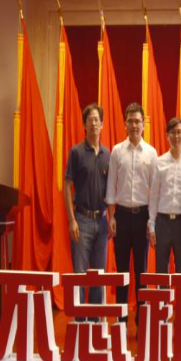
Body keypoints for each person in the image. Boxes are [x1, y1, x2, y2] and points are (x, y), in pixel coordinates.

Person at [105, 102, 158, 325]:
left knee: (141, 270)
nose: (135, 125)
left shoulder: (151, 153)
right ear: (125, 124)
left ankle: (142, 317)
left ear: (143, 125)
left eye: (138, 121)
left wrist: (151, 222)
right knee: (122, 270)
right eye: (131, 121)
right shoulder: (117, 151)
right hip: (122, 217)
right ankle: (121, 317)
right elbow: (111, 186)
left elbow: (154, 191)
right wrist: (111, 216)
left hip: (142, 216)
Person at [64, 103, 110, 315]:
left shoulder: (107, 154)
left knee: (99, 275)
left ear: (102, 125)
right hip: (81, 220)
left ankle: (95, 321)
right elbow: (67, 186)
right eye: (90, 120)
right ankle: (81, 321)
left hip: (102, 220)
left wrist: (111, 217)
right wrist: (71, 220)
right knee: (80, 274)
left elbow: (110, 190)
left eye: (97, 120)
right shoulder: (76, 152)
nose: (94, 123)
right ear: (84, 125)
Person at [148, 118, 181, 274]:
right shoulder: (159, 162)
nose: (176, 136)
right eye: (173, 133)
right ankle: (162, 293)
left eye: (179, 132)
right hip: (162, 222)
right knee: (161, 269)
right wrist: (151, 225)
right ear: (167, 136)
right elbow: (154, 196)